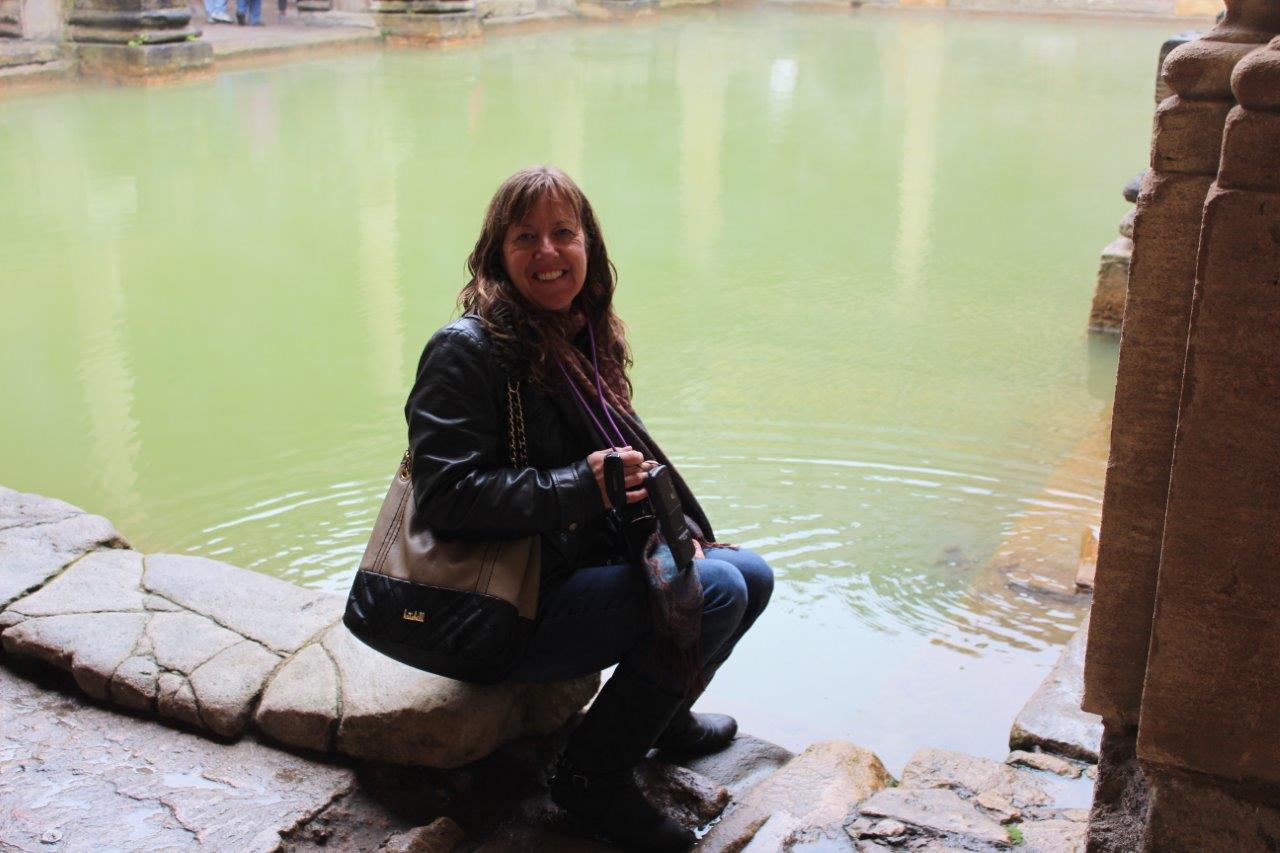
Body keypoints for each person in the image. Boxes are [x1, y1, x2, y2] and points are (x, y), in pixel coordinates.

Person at [405, 165, 773, 852]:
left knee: (748, 574)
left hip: (558, 576)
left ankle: (661, 716)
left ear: (589, 247)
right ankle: (591, 775)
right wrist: (583, 483)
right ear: (496, 256)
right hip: (493, 608)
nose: (547, 252)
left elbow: (611, 491)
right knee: (713, 590)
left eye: (563, 233)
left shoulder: (579, 339)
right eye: (525, 238)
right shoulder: (465, 351)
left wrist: (665, 535)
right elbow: (447, 499)